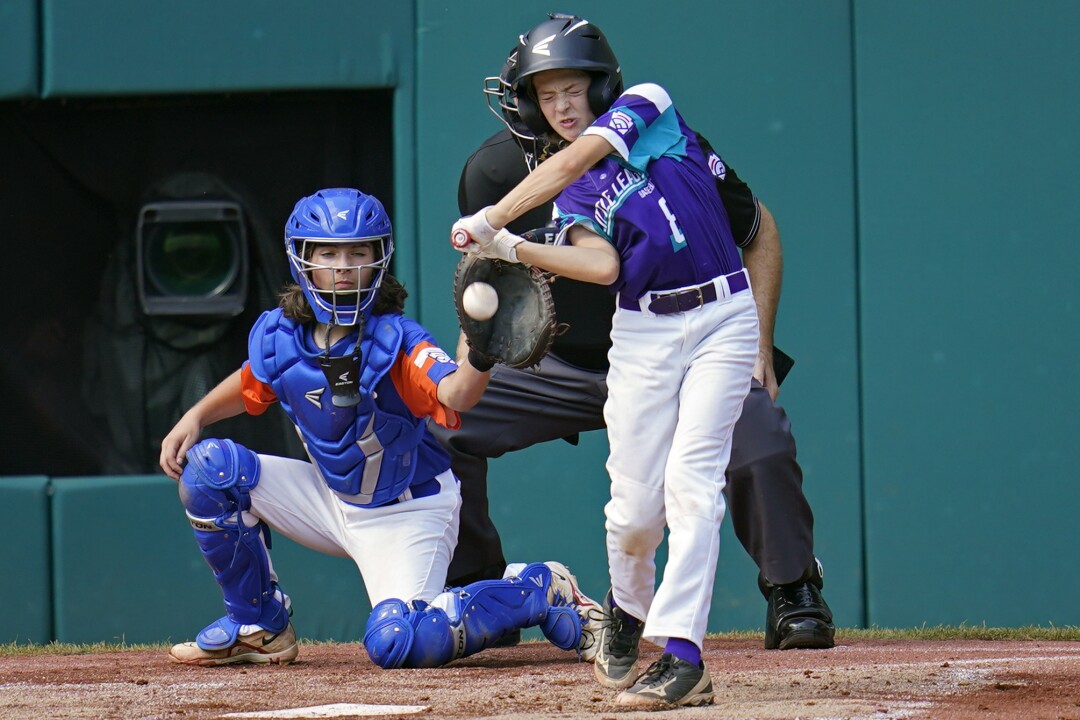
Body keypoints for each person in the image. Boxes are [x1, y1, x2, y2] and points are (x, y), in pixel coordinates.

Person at [435, 28, 834, 659]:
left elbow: (758, 229)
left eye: (574, 88)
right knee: (440, 426)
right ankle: (478, 594)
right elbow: (484, 282)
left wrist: (759, 338)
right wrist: (466, 369)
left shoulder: (653, 134)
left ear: (603, 88)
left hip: (679, 350)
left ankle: (792, 586)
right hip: (558, 364)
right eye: (545, 94)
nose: (561, 105)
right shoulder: (493, 169)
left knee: (758, 441)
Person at [159, 187, 602, 669]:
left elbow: (457, 395)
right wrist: (196, 415)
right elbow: (253, 380)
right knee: (208, 472)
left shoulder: (399, 341)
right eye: (328, 252)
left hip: (408, 511)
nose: (344, 265)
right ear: (302, 259)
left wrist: (479, 351)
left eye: (358, 252)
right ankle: (258, 626)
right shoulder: (278, 334)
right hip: (330, 499)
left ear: (379, 260)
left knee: (398, 640)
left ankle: (538, 588)